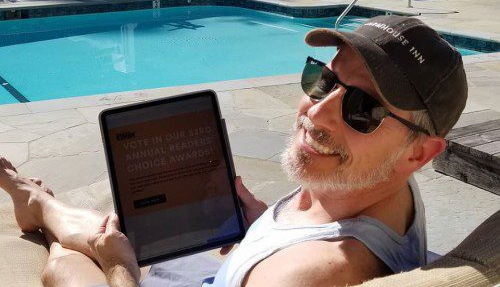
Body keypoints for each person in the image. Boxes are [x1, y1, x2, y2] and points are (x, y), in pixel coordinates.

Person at [0, 15, 468, 287]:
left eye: (363, 109)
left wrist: (120, 268)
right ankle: (40, 205)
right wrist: (261, 227)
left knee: (68, 260)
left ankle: (40, 210)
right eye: (323, 79)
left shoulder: (309, 274)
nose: (316, 112)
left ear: (420, 153)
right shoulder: (378, 189)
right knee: (112, 228)